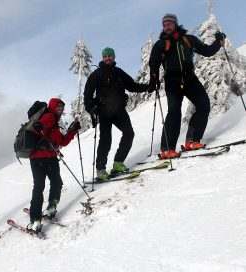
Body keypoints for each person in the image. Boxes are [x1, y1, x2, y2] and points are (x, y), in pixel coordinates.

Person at [148, 13, 226, 159]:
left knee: (204, 105)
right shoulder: (161, 44)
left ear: (175, 24)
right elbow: (154, 63)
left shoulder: (188, 39)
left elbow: (207, 51)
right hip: (172, 82)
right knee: (174, 112)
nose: (167, 27)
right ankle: (167, 149)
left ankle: (192, 141)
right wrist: (154, 79)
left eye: (169, 24)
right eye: (164, 25)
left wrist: (218, 42)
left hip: (190, 79)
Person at [84, 47, 149, 180]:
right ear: (102, 58)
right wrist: (91, 108)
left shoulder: (119, 72)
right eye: (105, 56)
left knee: (129, 133)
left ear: (114, 57)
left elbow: (132, 86)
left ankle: (118, 163)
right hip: (104, 111)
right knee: (106, 140)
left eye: (110, 56)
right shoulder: (97, 74)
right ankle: (101, 170)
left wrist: (149, 86)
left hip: (119, 110)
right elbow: (87, 94)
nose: (108, 58)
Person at [27, 98, 80, 233]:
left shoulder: (55, 123)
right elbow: (38, 126)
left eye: (62, 108)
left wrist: (73, 130)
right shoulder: (49, 117)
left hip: (50, 158)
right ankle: (36, 219)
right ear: (52, 106)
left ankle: (44, 213)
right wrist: (38, 126)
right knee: (41, 187)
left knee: (53, 183)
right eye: (58, 107)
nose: (61, 110)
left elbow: (62, 141)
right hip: (39, 159)